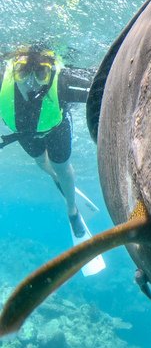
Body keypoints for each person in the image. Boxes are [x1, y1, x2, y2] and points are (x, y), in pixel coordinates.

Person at [0, 45, 100, 251]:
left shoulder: (64, 83)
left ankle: (72, 210)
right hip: (25, 132)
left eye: (40, 74)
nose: (30, 83)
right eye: (22, 73)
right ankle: (55, 178)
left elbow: (102, 84)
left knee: (62, 166)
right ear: (13, 71)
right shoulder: (2, 79)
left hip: (56, 128)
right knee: (40, 161)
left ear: (51, 72)